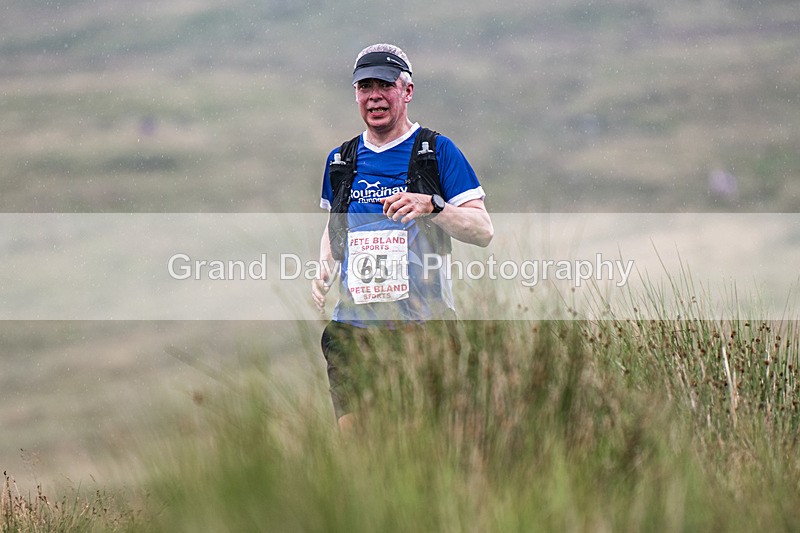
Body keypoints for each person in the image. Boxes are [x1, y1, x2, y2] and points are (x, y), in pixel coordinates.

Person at [312, 43, 493, 430]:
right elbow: (335, 224)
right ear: (356, 94)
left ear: (407, 91)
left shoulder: (436, 151)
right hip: (353, 330)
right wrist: (323, 265)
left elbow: (483, 231)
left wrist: (433, 206)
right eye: (365, 86)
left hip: (424, 329)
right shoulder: (341, 160)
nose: (374, 96)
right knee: (355, 440)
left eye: (385, 85)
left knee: (421, 441)